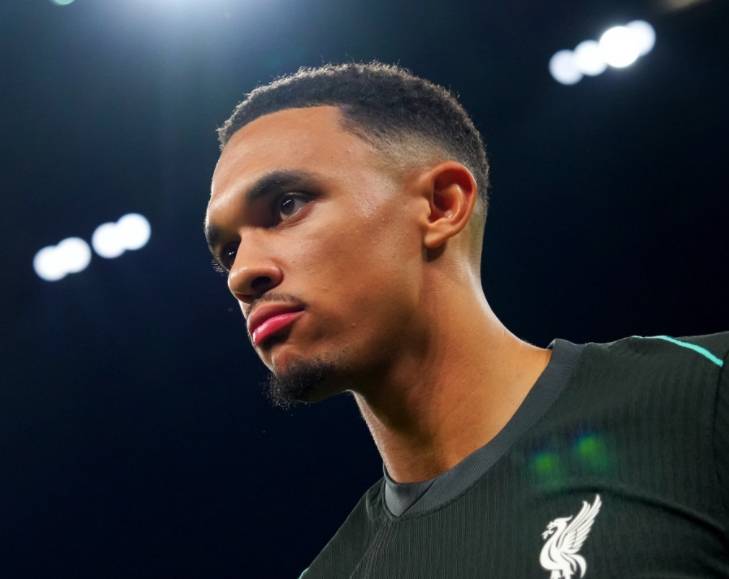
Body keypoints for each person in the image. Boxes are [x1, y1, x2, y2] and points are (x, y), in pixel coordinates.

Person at [203, 62, 729, 578]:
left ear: (441, 205)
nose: (241, 274)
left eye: (287, 205)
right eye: (228, 251)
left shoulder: (703, 395)